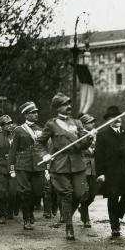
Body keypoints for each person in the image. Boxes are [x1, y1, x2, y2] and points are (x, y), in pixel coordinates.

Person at [36, 93, 94, 240]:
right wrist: (44, 155)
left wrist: (89, 138)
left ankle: (68, 216)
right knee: (67, 195)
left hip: (77, 164)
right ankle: (69, 226)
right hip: (60, 165)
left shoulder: (77, 123)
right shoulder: (51, 124)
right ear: (57, 107)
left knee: (80, 194)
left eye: (69, 104)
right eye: (64, 104)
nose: (68, 107)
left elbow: (82, 144)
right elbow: (39, 143)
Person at [95, 106, 125, 237]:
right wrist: (100, 173)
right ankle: (114, 226)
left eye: (119, 117)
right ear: (108, 120)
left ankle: (119, 214)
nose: (117, 120)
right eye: (113, 118)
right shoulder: (103, 135)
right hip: (111, 172)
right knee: (113, 197)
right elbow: (98, 156)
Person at [9, 101, 47, 231]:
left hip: (38, 165)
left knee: (38, 192)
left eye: (36, 112)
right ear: (26, 115)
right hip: (23, 165)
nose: (36, 114)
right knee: (25, 193)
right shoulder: (19, 130)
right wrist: (12, 168)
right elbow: (12, 151)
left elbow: (44, 148)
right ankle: (27, 218)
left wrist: (47, 166)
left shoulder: (41, 129)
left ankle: (30, 212)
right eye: (32, 113)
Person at [78, 114, 97, 228]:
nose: (93, 124)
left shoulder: (95, 133)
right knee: (85, 193)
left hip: (94, 167)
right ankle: (86, 218)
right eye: (90, 122)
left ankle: (82, 208)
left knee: (93, 194)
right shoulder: (79, 135)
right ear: (84, 124)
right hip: (83, 167)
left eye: (92, 122)